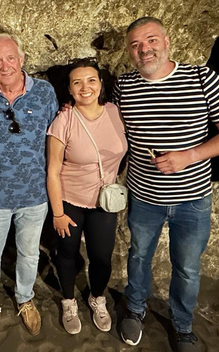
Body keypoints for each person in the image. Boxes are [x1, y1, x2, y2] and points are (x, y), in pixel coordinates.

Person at [115, 17, 219, 352]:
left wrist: (189, 156)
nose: (145, 49)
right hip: (144, 196)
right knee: (139, 255)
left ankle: (183, 327)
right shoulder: (123, 86)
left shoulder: (202, 78)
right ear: (130, 51)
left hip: (193, 198)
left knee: (187, 268)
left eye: (151, 40)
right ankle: (135, 309)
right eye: (136, 44)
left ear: (166, 41)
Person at [0, 33, 58, 336]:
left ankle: (25, 298)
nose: (4, 65)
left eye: (10, 58)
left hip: (34, 193)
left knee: (29, 253)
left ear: (21, 59)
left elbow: (58, 133)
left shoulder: (45, 93)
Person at [46, 59, 128, 334]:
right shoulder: (64, 120)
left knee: (102, 256)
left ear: (101, 84)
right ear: (69, 89)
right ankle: (69, 301)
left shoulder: (115, 112)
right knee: (67, 253)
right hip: (70, 199)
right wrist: (58, 212)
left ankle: (97, 297)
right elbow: (53, 170)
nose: (85, 87)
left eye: (91, 80)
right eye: (77, 82)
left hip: (104, 201)